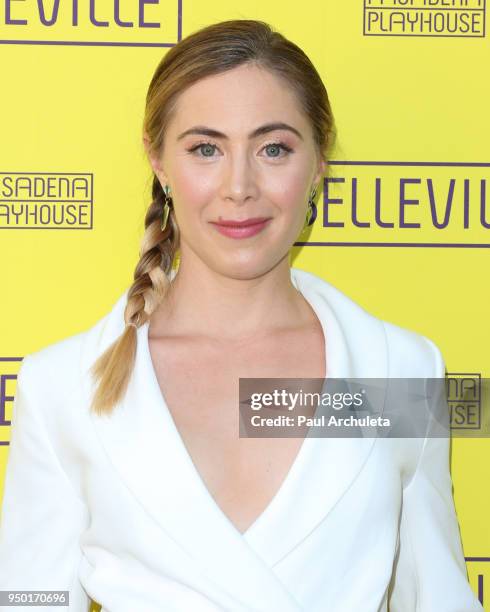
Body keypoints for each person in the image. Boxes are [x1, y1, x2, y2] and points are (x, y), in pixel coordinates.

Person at [0, 19, 482, 612]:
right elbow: (27, 600)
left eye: (273, 148)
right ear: (157, 161)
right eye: (206, 148)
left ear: (319, 161)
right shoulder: (61, 387)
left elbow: (438, 597)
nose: (239, 187)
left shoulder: (399, 373)